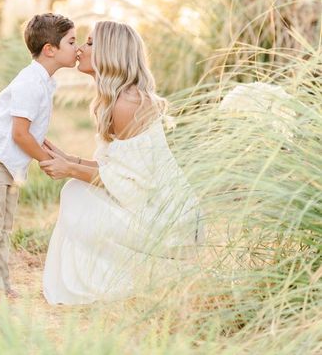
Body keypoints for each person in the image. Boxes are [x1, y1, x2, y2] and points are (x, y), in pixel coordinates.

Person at [40, 20, 204, 305]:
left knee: (78, 196)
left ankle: (122, 280)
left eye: (90, 43)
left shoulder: (126, 104)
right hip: (152, 208)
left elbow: (132, 185)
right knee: (75, 190)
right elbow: (117, 168)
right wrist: (71, 160)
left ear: (110, 53)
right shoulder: (116, 98)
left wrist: (71, 169)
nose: (80, 49)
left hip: (167, 222)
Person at [0, 12, 77, 301]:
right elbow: (19, 134)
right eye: (71, 41)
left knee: (3, 229)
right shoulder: (31, 82)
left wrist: (54, 152)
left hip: (7, 164)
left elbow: (31, 131)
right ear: (50, 49)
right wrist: (45, 160)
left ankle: (2, 286)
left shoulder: (44, 81)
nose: (77, 49)